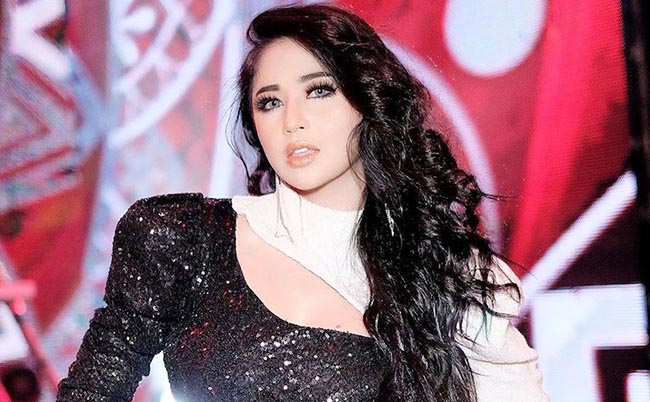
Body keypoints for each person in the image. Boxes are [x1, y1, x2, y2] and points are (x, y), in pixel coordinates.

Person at [56, 4, 548, 402]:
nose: (292, 119)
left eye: (318, 91)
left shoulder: (447, 277)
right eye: (269, 102)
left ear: (366, 103)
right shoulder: (183, 238)